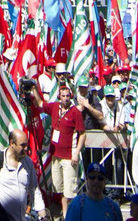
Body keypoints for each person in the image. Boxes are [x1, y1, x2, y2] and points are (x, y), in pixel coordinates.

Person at [0, 129, 42, 221]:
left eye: (26, 145)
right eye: (22, 145)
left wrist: (42, 212)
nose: (26, 149)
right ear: (12, 143)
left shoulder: (28, 162)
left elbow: (34, 189)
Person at [45, 86, 85, 218]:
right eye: (63, 96)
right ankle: (66, 214)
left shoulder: (75, 112)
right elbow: (40, 104)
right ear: (59, 96)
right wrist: (34, 89)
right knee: (60, 190)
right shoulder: (55, 107)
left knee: (70, 192)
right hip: (56, 155)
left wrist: (76, 152)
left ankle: (74, 216)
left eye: (68, 96)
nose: (66, 98)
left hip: (69, 156)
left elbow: (82, 134)